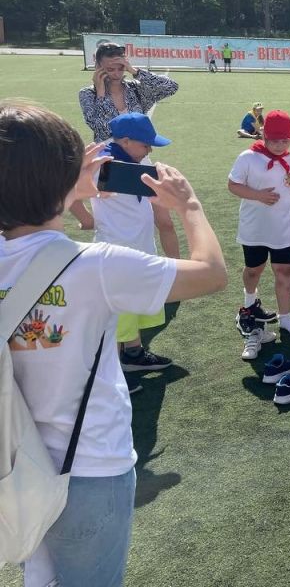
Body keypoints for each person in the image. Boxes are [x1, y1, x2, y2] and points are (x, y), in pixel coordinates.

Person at [0, 100, 226, 587]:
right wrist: (190, 206)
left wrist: (65, 187)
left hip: (13, 468)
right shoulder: (97, 265)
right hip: (89, 466)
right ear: (65, 179)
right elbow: (211, 274)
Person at [90, 113, 180, 390]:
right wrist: (85, 218)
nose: (149, 150)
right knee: (116, 315)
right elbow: (68, 189)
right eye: (145, 144)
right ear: (126, 141)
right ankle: (113, 375)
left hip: (141, 247)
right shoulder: (102, 164)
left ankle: (133, 354)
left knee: (133, 308)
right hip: (114, 252)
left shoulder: (141, 162)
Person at [228, 109, 290, 359]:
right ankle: (250, 304)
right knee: (254, 270)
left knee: (284, 271)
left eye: (285, 141)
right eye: (275, 141)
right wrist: (258, 196)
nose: (280, 146)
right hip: (255, 228)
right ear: (264, 136)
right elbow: (233, 185)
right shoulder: (248, 158)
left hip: (283, 227)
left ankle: (286, 318)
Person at [79, 41, 180, 144]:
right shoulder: (88, 94)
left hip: (137, 153)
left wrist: (135, 71)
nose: (117, 74)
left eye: (121, 68)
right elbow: (103, 131)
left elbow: (171, 86)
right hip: (107, 153)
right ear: (98, 67)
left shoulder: (136, 89)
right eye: (110, 69)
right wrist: (101, 95)